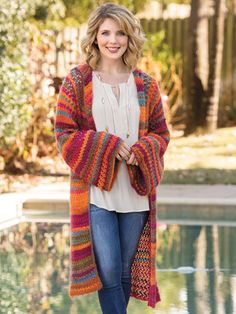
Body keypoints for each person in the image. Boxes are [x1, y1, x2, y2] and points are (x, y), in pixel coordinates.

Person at [54, 3, 170, 313]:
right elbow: (64, 134)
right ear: (94, 37)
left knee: (124, 272)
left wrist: (144, 150)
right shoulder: (77, 81)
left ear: (130, 36)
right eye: (105, 32)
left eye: (120, 32)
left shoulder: (146, 85)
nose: (113, 40)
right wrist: (105, 145)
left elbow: (161, 134)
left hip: (135, 193)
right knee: (107, 272)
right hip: (96, 192)